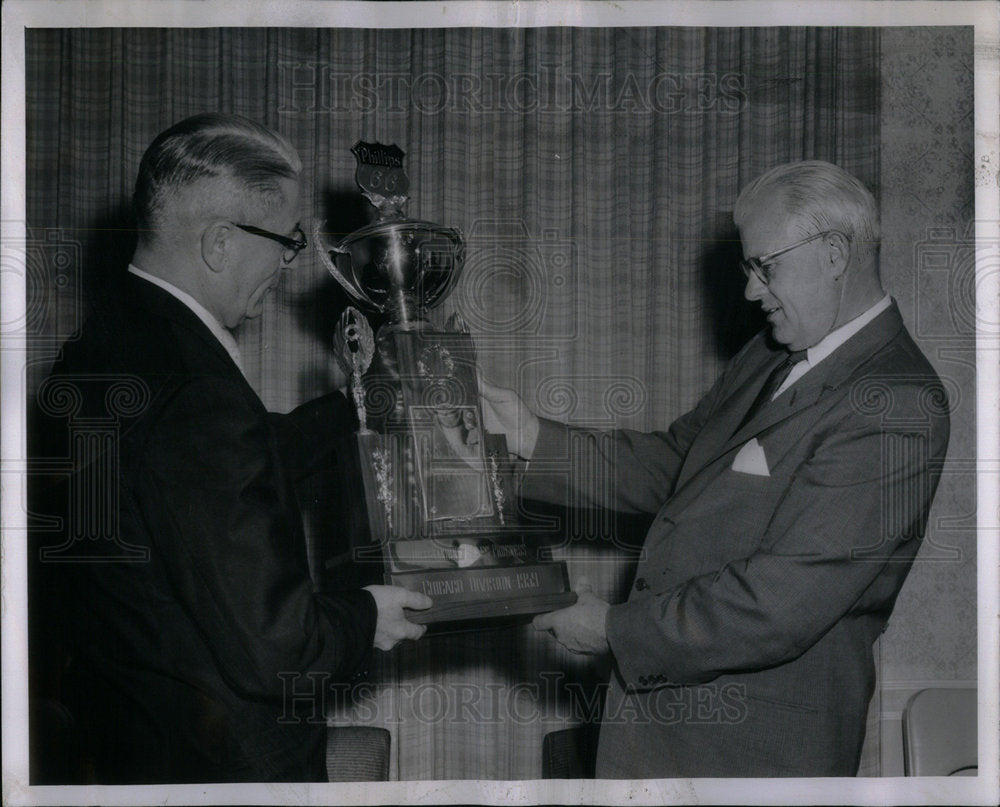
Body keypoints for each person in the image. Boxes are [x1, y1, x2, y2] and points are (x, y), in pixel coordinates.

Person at [480, 161, 950, 777]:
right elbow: (676, 464)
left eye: (766, 267)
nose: (752, 292)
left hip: (755, 753)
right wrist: (530, 435)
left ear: (835, 254)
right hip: (662, 735)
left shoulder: (896, 401)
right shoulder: (769, 353)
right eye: (748, 269)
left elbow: (780, 602)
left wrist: (615, 631)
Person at [28, 113, 432, 784]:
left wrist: (359, 402)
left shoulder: (106, 347)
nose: (287, 261)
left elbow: (214, 474)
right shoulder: (197, 387)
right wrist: (366, 615)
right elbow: (278, 648)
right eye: (288, 240)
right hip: (224, 767)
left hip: (133, 742)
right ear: (220, 242)